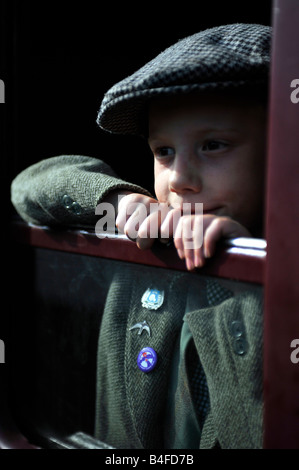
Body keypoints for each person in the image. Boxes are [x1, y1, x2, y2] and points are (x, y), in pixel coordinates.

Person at [11, 23, 271, 448]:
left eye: (214, 145)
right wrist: (118, 200)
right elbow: (29, 187)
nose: (181, 180)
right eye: (163, 151)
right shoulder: (148, 233)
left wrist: (238, 261)